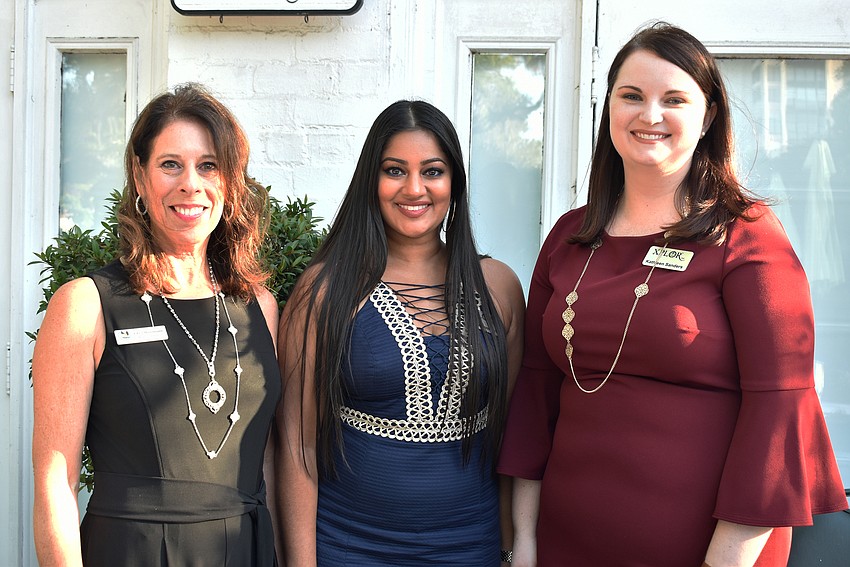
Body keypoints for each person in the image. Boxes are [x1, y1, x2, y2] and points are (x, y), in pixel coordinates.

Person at [497, 22, 847, 567]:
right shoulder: (569, 237)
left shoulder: (747, 237)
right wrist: (525, 540)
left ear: (708, 117)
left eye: (674, 99)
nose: (649, 115)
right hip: (566, 541)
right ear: (608, 106)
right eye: (631, 96)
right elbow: (536, 395)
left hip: (709, 552)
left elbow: (781, 414)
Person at [32, 83, 281, 566]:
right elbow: (54, 484)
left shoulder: (260, 307)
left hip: (245, 550)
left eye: (208, 165)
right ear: (140, 179)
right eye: (171, 164)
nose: (190, 183)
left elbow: (268, 462)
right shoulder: (85, 305)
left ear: (229, 183)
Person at [275, 100, 525, 566]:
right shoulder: (327, 289)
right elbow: (297, 442)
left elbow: (511, 439)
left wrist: (510, 546)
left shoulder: (501, 287)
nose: (415, 189)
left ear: (455, 183)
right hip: (350, 545)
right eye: (395, 171)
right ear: (372, 180)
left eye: (432, 171)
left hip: (471, 546)